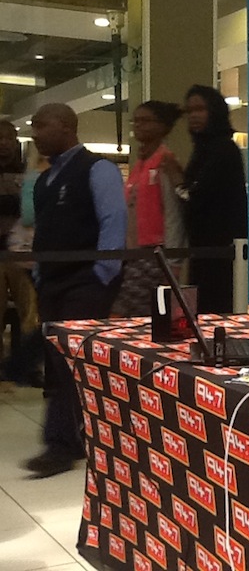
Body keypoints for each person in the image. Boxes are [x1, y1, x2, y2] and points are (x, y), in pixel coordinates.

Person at [24, 103, 126, 478]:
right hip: (53, 281)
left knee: (69, 362)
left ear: (67, 126)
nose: (35, 133)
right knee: (58, 363)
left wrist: (103, 272)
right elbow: (43, 232)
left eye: (42, 125)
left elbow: (113, 220)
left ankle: (60, 445)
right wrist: (39, 274)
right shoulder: (45, 180)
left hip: (86, 281)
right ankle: (77, 438)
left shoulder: (98, 169)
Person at [172, 85, 247, 314]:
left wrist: (177, 181)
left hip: (221, 253)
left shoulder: (224, 150)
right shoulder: (202, 151)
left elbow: (198, 197)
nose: (194, 116)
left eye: (200, 109)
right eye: (190, 110)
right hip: (202, 250)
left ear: (214, 111)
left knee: (215, 311)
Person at [112, 100, 186, 317]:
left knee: (127, 316)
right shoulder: (140, 164)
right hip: (133, 254)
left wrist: (172, 262)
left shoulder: (165, 162)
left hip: (155, 255)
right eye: (135, 121)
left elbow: (173, 214)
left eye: (145, 121)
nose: (138, 125)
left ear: (162, 126)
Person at [0, 121, 41, 386]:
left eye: (9, 138)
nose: (4, 143)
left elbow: (33, 207)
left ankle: (28, 366)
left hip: (22, 253)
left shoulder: (28, 170)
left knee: (30, 312)